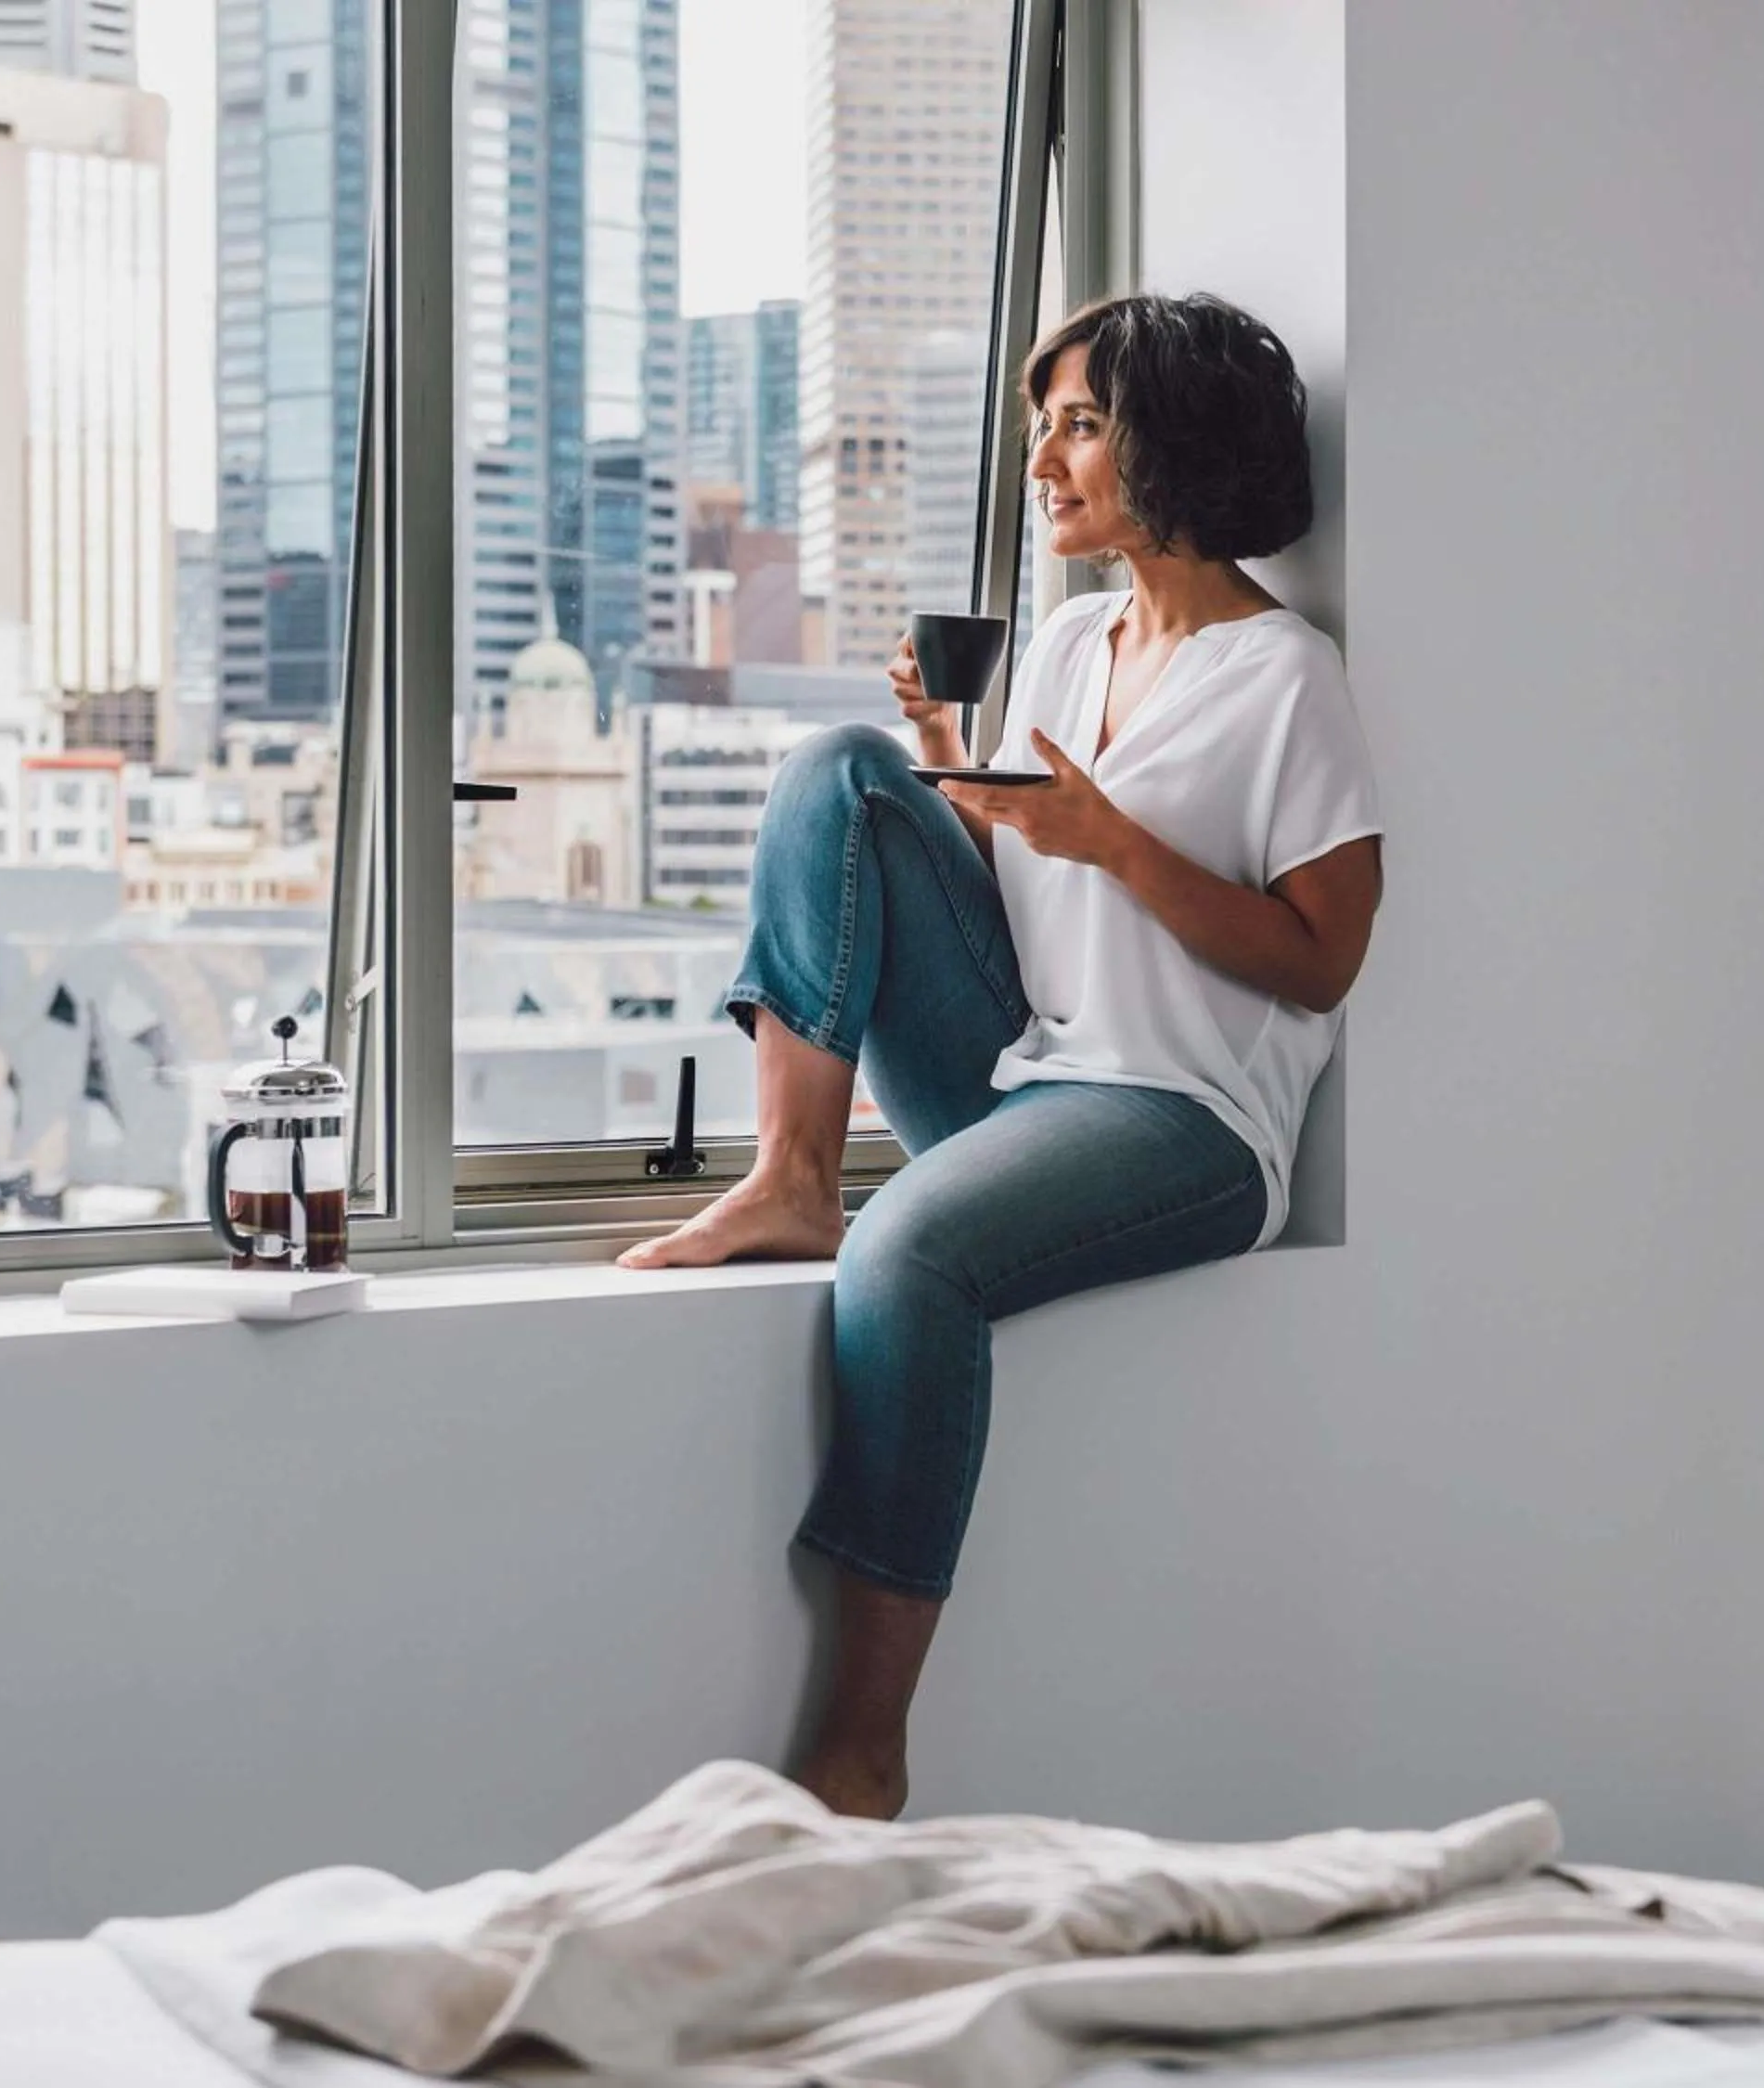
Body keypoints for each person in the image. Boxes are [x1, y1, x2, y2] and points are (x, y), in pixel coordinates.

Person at [620, 291, 1384, 1819]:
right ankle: (792, 1175)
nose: (1044, 461)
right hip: (1026, 1064)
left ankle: (862, 1741)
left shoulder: (1284, 676)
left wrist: (1115, 839)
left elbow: (1323, 959)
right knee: (839, 770)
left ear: (1173, 444)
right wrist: (943, 774)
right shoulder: (1073, 640)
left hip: (1182, 1117)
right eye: (1046, 426)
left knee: (909, 1255)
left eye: (1079, 426)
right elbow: (1020, 894)